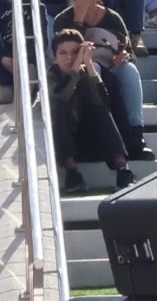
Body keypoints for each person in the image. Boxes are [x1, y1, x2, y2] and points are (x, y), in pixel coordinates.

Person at [54, 0, 152, 161]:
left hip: (110, 68)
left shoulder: (112, 18)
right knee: (95, 68)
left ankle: (136, 134)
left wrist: (123, 57)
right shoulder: (63, 20)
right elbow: (67, 56)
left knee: (129, 71)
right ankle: (109, 139)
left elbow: (128, 52)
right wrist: (79, 20)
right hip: (80, 76)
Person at [48, 28, 137, 193]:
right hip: (65, 144)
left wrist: (88, 64)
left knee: (100, 107)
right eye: (63, 53)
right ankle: (72, 172)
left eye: (75, 52)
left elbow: (103, 101)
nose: (69, 57)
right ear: (54, 57)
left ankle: (122, 168)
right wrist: (76, 68)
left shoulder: (86, 72)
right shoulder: (51, 76)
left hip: (90, 141)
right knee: (59, 106)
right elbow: (62, 94)